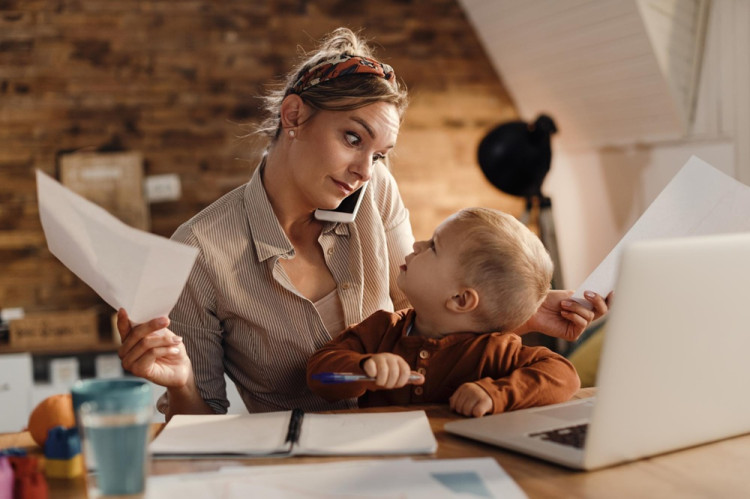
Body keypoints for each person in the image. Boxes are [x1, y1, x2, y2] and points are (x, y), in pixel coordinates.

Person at [116, 27, 609, 419]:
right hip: (300, 469)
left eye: (380, 154)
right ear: (293, 116)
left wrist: (520, 307)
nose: (364, 170)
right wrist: (179, 381)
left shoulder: (375, 189)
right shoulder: (200, 252)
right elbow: (200, 427)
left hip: (417, 444)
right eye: (353, 138)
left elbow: (417, 309)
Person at [307, 208, 580, 417]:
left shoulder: (495, 350)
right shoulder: (380, 329)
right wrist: (363, 368)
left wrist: (494, 394)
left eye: (433, 246)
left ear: (460, 299)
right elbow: (318, 375)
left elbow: (564, 375)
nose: (416, 246)